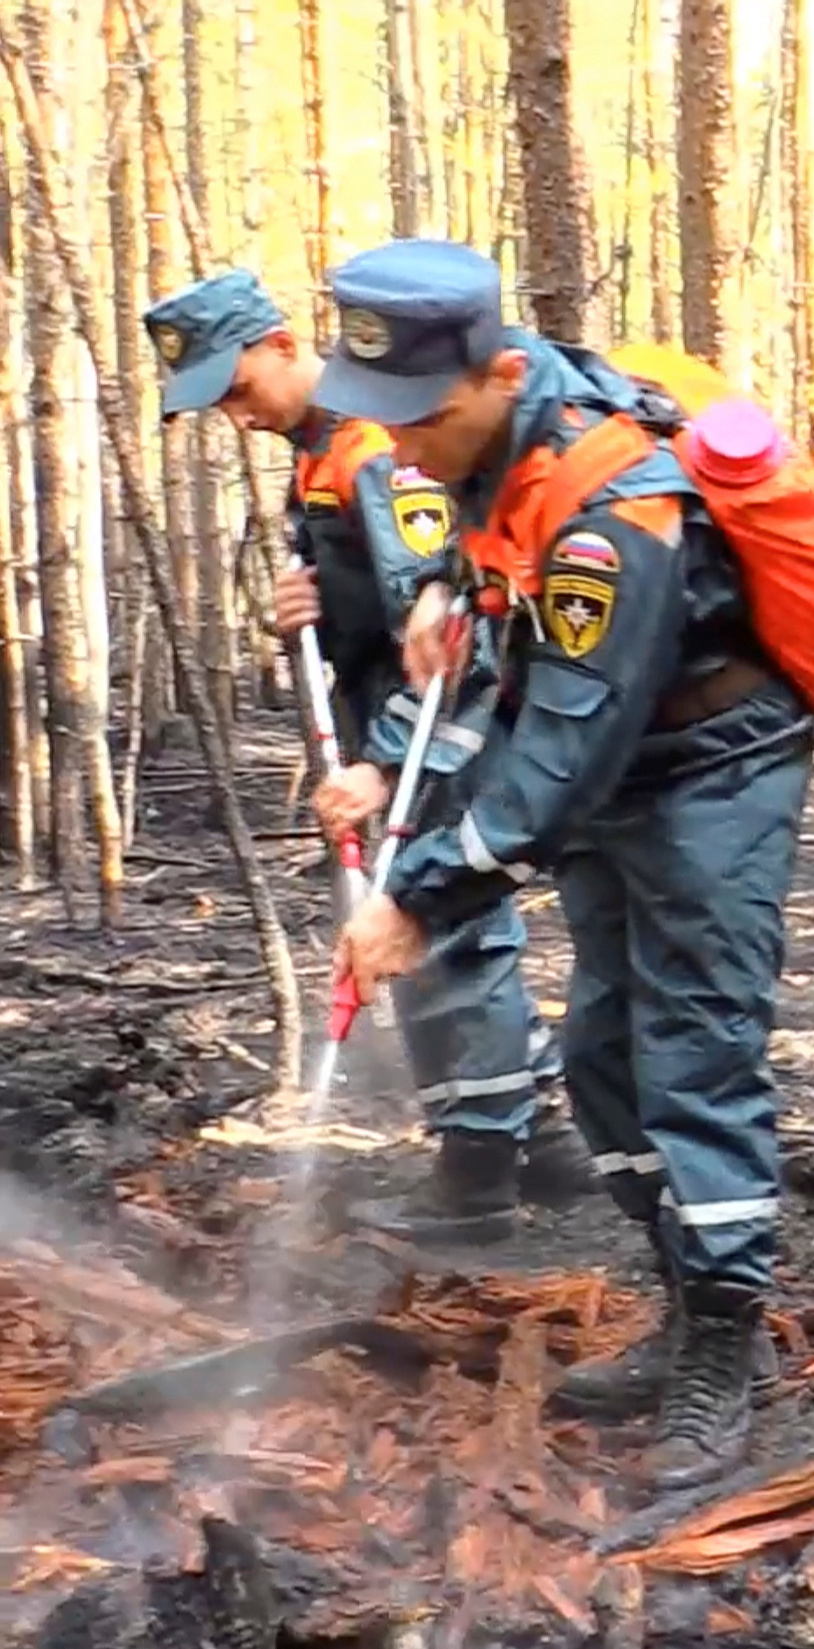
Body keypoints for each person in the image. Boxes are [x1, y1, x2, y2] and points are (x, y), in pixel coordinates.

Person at [314, 239, 814, 1486]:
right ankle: (692, 1302)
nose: (400, 446)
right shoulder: (495, 440)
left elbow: (557, 761)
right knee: (601, 1059)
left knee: (695, 1059)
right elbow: (495, 594)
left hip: (710, 773)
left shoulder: (616, 510)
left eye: (418, 419)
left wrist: (417, 896)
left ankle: (724, 1347)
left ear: (487, 375)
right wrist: (440, 595)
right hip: (619, 765)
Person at [141, 267, 590, 1243]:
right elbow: (369, 615)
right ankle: (548, 1148)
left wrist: (383, 763)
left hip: (433, 738)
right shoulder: (317, 455)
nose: (235, 413)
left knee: (446, 941)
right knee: (442, 934)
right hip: (394, 733)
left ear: (286, 345)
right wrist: (296, 614)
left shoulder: (377, 451)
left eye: (238, 386)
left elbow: (441, 633)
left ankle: (476, 1182)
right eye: (215, 402)